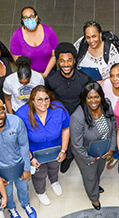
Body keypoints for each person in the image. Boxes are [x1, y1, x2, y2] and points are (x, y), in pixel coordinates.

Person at [16, 86, 70, 206]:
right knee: (39, 174)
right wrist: (30, 158)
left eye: (46, 99)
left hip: (55, 149)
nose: (44, 103)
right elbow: (20, 140)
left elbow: (66, 129)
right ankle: (40, 191)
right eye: (39, 100)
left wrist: (63, 150)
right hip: (35, 153)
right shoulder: (22, 114)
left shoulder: (59, 109)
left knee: (54, 167)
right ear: (32, 100)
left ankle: (54, 181)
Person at [45, 42, 92, 173]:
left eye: (69, 60)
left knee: (78, 140)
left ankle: (76, 156)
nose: (66, 65)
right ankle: (67, 157)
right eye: (62, 61)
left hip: (78, 114)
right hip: (60, 115)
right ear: (58, 62)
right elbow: (49, 97)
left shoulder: (84, 79)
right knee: (62, 139)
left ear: (74, 61)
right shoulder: (51, 80)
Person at [70, 82, 117, 210]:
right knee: (90, 177)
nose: (94, 101)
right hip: (86, 153)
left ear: (101, 96)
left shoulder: (106, 105)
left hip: (104, 149)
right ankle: (94, 197)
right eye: (89, 97)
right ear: (84, 98)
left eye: (96, 97)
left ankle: (95, 185)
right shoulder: (78, 117)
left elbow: (113, 126)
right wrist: (90, 159)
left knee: (98, 171)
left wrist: (111, 148)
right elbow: (76, 145)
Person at [9, 6, 58, 78]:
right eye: (25, 18)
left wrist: (45, 74)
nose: (29, 20)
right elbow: (17, 60)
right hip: (29, 74)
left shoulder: (48, 30)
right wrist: (36, 75)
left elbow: (54, 55)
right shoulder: (17, 36)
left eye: (32, 16)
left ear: (36, 17)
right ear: (22, 20)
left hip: (50, 71)